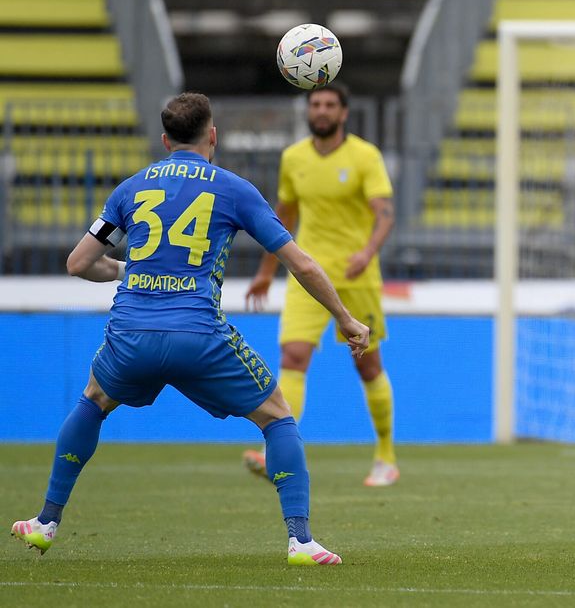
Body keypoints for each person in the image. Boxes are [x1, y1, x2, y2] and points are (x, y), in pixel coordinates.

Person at [10, 92, 363, 565]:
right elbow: (299, 263)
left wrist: (126, 270)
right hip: (198, 335)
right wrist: (345, 318)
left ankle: (46, 522)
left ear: (164, 139)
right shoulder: (234, 189)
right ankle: (300, 541)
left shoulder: (131, 188)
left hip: (131, 333)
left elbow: (78, 263)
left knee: (93, 402)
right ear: (212, 136)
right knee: (277, 417)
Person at [243, 83, 398, 487]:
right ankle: (276, 452)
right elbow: (282, 219)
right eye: (316, 104)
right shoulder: (293, 158)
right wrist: (265, 271)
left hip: (355, 277)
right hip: (306, 275)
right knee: (293, 357)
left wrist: (366, 253)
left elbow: (384, 215)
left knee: (367, 365)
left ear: (344, 113)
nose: (322, 110)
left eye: (330, 104)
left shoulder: (365, 156)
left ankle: (385, 456)